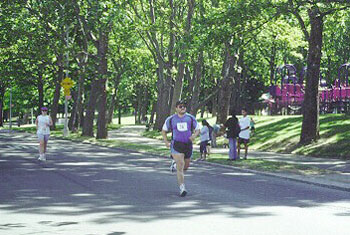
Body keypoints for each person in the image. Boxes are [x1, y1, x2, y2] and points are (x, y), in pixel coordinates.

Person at [162, 100, 200, 197]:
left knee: (186, 166)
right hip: (176, 144)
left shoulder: (190, 118)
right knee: (181, 165)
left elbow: (198, 129)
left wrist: (194, 136)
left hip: (187, 145)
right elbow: (164, 131)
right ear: (176, 108)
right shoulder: (171, 119)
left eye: (184, 106)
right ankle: (182, 188)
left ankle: (174, 165)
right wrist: (166, 142)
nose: (182, 108)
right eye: (180, 106)